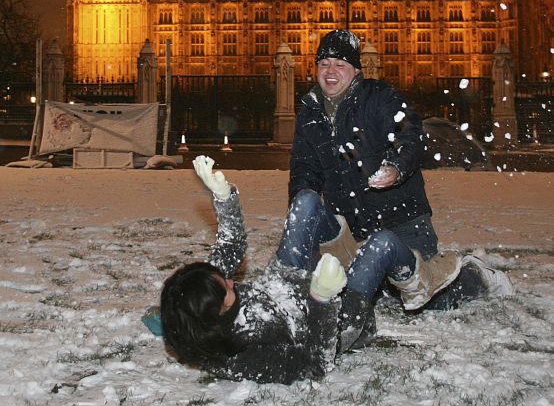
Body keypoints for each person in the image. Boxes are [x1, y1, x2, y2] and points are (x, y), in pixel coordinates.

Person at [157, 156, 465, 385]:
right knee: (383, 243)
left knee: (306, 201)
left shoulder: (199, 298)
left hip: (285, 281)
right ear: (216, 315)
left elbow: (231, 245)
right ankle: (415, 282)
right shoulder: (242, 356)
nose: (232, 282)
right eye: (226, 289)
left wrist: (223, 197)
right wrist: (322, 298)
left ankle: (345, 257)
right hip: (336, 317)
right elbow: (315, 364)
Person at [288, 29, 513, 309]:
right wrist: (304, 210)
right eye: (324, 64)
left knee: (422, 301)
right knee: (348, 294)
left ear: (356, 70)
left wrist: (396, 166)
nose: (330, 71)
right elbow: (304, 169)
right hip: (352, 231)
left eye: (339, 64)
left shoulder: (380, 97)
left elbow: (409, 134)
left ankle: (475, 277)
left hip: (402, 222)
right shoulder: (310, 113)